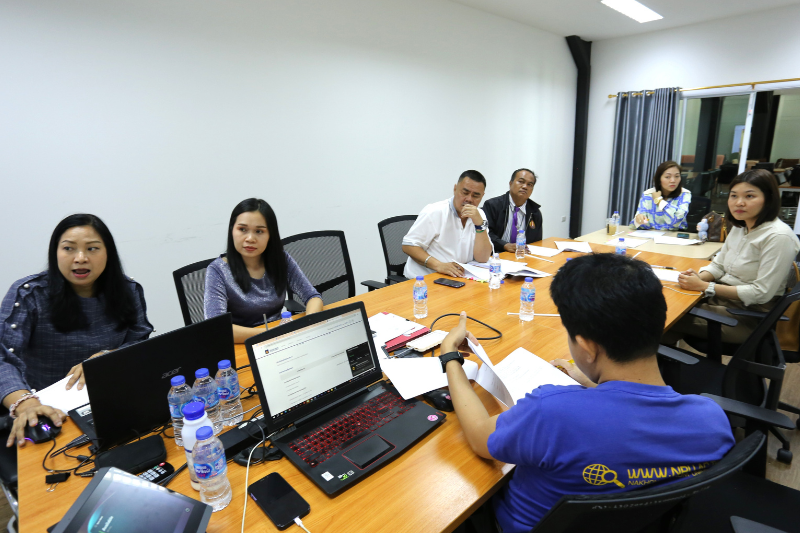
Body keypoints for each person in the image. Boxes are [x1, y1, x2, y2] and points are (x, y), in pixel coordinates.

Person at [439, 253, 735, 533]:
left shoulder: (552, 412)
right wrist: (592, 384)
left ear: (587, 347)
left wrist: (450, 356)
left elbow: (479, 436)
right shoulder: (711, 420)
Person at [1, 214, 153, 447]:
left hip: (109, 400)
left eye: (92, 248)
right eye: (69, 248)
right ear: (55, 253)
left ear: (108, 253)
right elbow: (3, 358)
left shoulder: (127, 290)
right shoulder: (30, 294)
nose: (80, 258)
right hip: (45, 408)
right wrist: (26, 403)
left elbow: (140, 341)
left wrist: (108, 358)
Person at [664, 169, 800, 345]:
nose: (739, 202)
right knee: (660, 307)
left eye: (749, 196)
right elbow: (719, 266)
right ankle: (662, 359)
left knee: (658, 316)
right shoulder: (740, 226)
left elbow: (761, 293)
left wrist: (704, 286)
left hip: (747, 316)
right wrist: (696, 279)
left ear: (769, 199)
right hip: (720, 302)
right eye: (734, 196)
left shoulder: (779, 237)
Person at [204, 198, 323, 343]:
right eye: (242, 229)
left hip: (280, 340)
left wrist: (309, 324)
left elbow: (313, 297)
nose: (250, 238)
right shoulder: (218, 271)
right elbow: (217, 327)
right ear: (232, 230)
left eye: (259, 231)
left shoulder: (281, 259)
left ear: (270, 235)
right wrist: (272, 333)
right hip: (243, 344)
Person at [402, 170, 492, 278]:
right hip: (424, 280)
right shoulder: (434, 211)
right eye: (465, 193)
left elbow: (483, 258)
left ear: (482, 196)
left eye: (476, 196)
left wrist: (479, 225)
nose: (469, 199)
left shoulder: (479, 215)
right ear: (455, 189)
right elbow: (408, 246)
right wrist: (438, 265)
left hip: (458, 278)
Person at [483, 168, 543, 253]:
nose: (525, 187)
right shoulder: (492, 205)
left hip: (522, 256)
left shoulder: (535, 212)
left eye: (529, 184)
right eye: (521, 182)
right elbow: (485, 233)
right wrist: (504, 245)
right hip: (496, 254)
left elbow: (537, 242)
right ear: (510, 183)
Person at [631, 161, 691, 230]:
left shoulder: (684, 194)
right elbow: (635, 225)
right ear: (659, 179)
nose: (673, 180)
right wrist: (638, 221)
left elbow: (675, 223)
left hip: (675, 235)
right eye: (667, 177)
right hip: (651, 234)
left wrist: (659, 201)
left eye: (677, 176)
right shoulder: (648, 194)